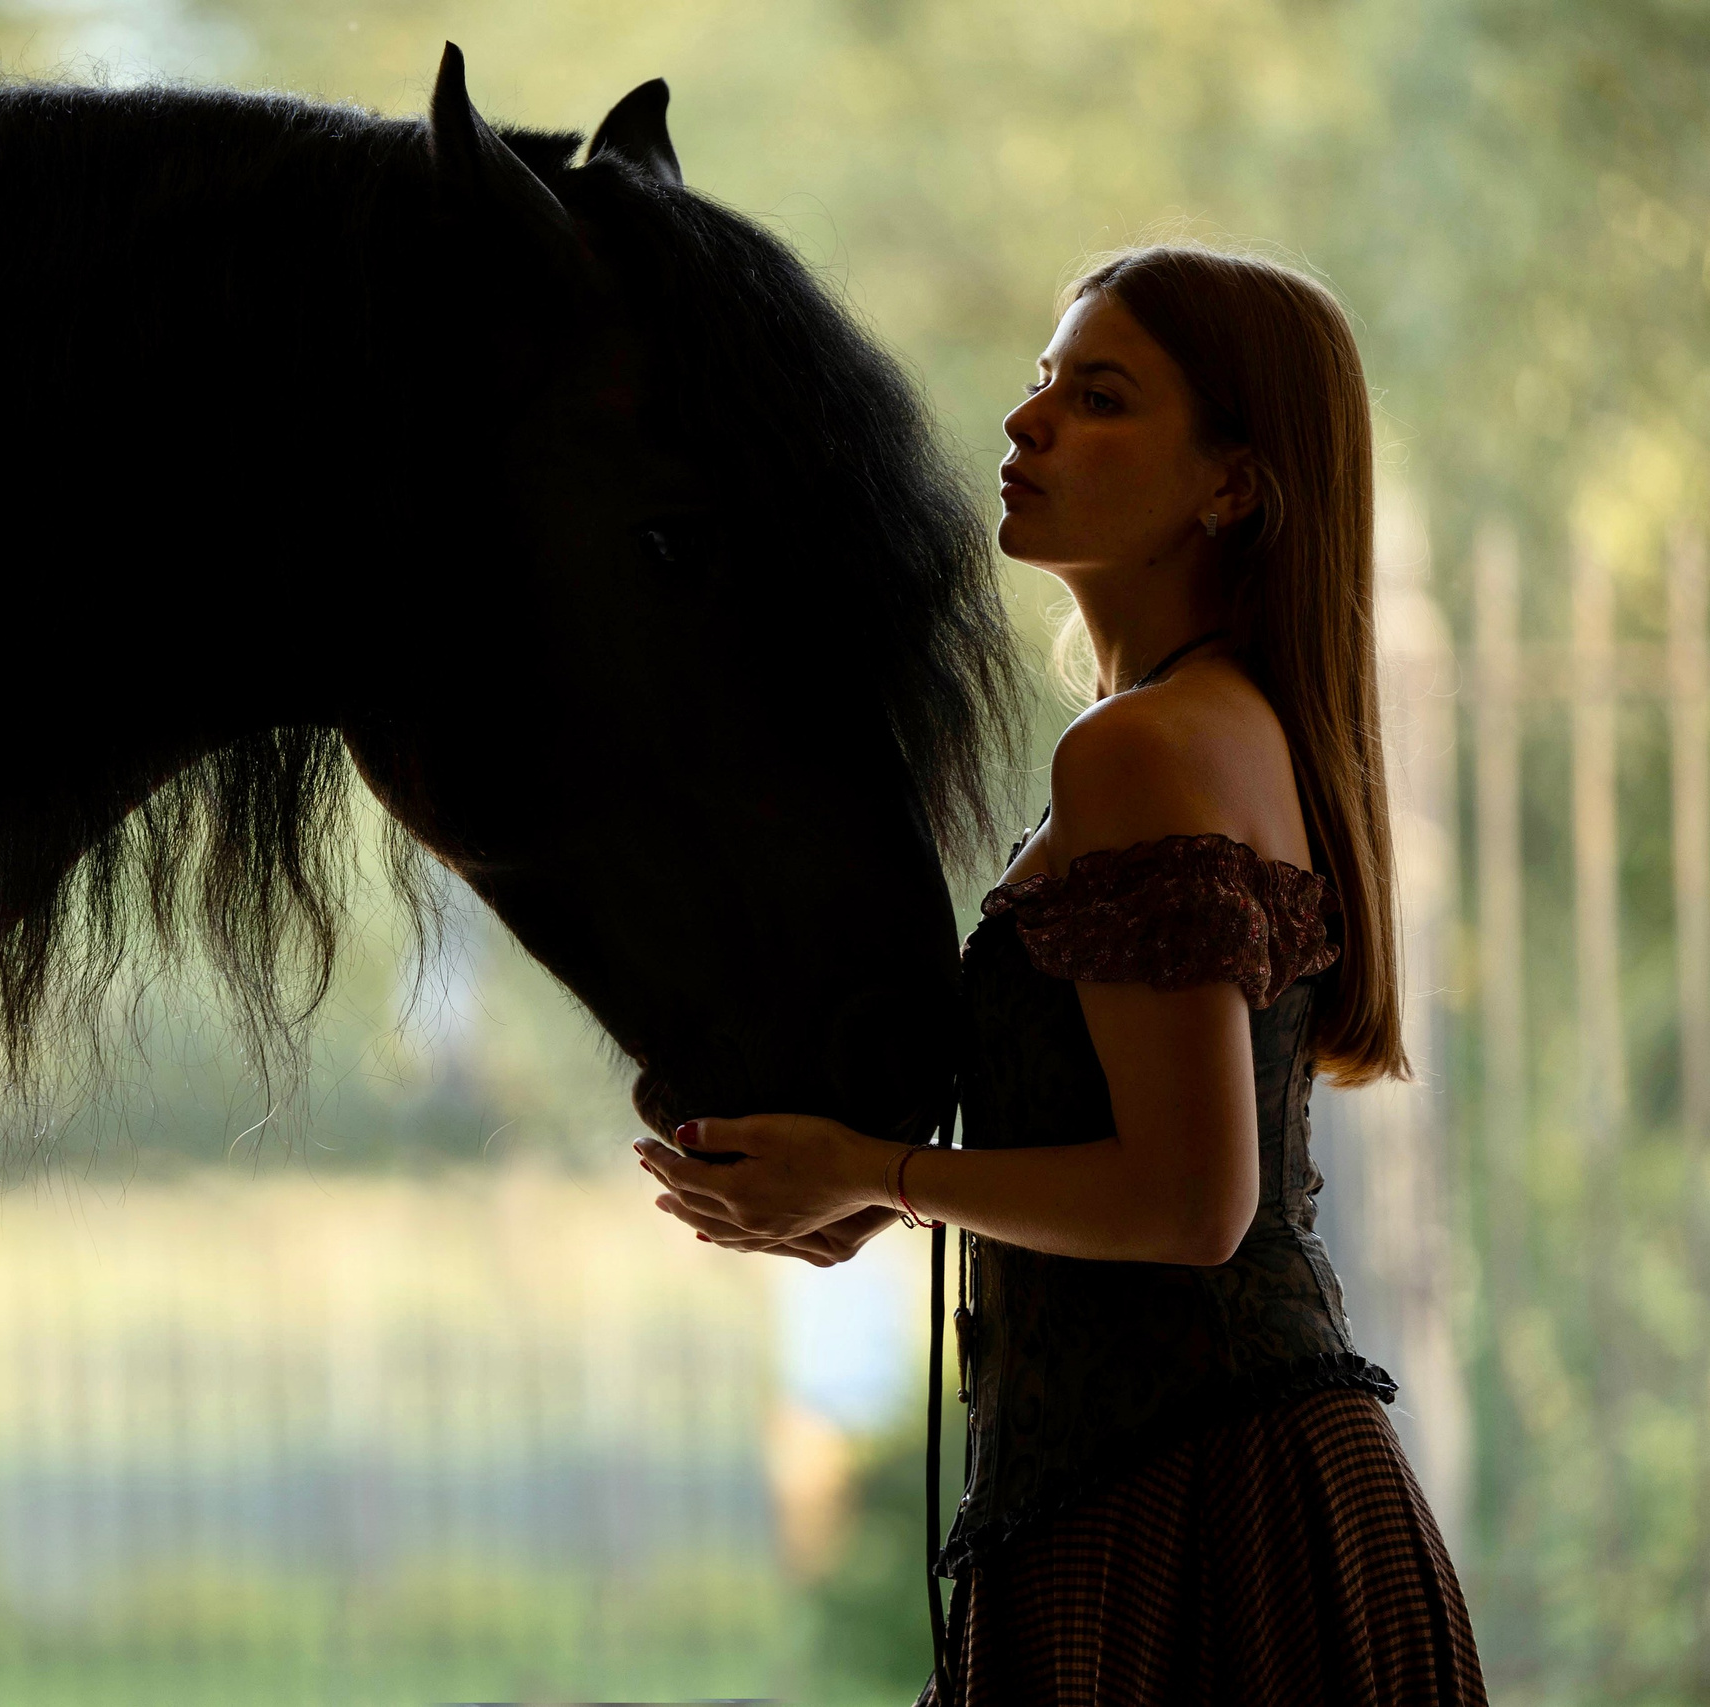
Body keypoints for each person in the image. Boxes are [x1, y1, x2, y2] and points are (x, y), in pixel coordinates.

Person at [635, 245, 1487, 1705]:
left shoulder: (1141, 751)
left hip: (1195, 1529)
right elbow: (1127, 1166)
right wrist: (861, 1184)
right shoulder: (1201, 727)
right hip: (1211, 1493)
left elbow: (1187, 1205)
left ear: (1233, 484)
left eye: (1099, 398)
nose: (1029, 425)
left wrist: (880, 1169)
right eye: (1041, 384)